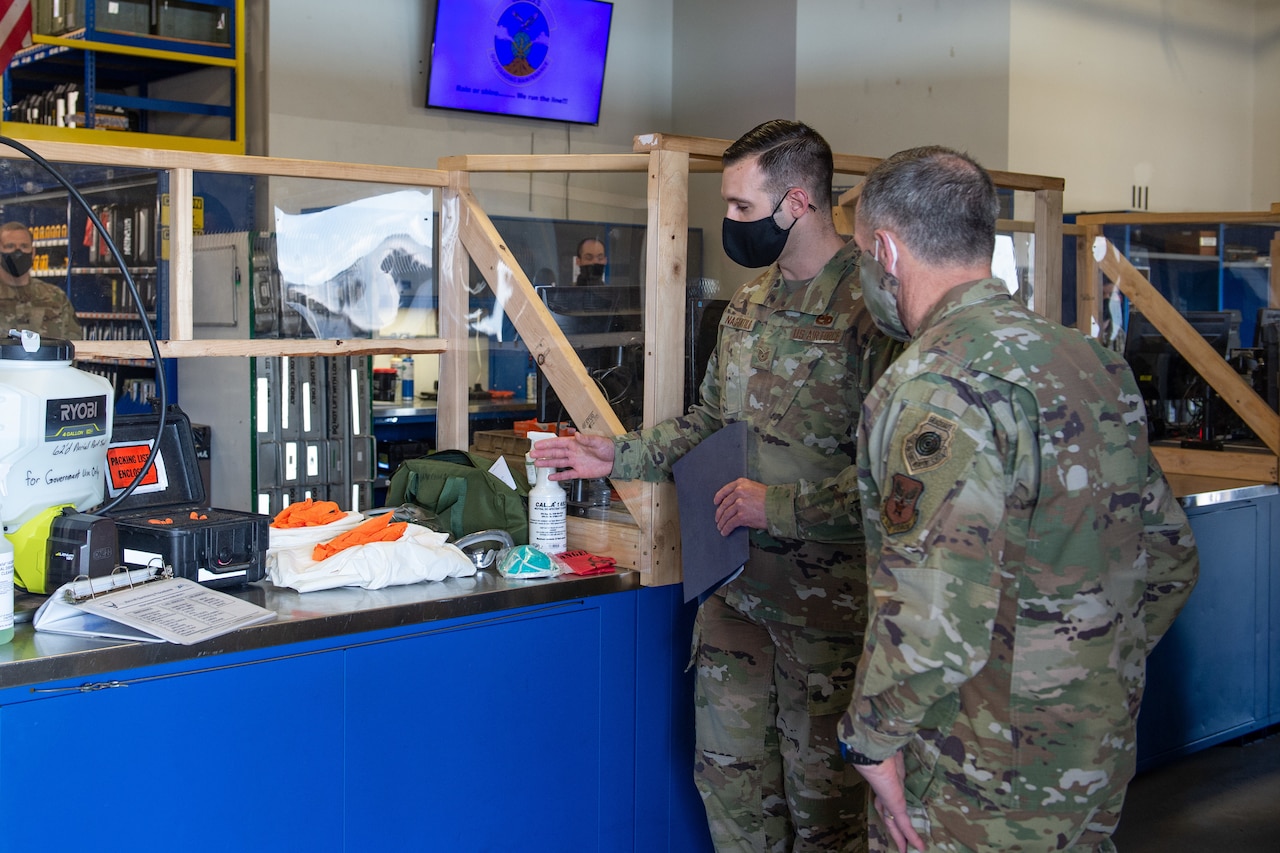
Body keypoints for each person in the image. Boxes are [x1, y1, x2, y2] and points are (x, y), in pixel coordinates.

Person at [533, 120, 897, 852]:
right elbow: (707, 422)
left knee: (825, 814)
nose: (729, 223)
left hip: (828, 619)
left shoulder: (876, 317)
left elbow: (895, 486)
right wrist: (618, 456)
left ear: (797, 202)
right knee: (731, 793)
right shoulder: (746, 308)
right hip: (734, 600)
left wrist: (780, 505)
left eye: (739, 206)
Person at [836, 145, 1199, 853]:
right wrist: (1078, 683)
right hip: (1091, 764)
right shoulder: (1093, 364)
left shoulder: (934, 388)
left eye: (858, 255)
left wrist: (872, 742)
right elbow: (1168, 558)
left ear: (885, 250)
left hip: (973, 783)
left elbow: (933, 625)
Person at [0, 221, 80, 341]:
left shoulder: (55, 297)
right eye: (10, 246)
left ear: (33, 253)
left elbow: (73, 346)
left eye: (24, 246)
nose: (18, 252)